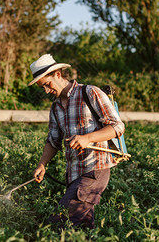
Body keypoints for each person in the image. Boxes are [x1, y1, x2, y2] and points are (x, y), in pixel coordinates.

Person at [28, 54, 125, 229]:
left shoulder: (89, 92)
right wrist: (42, 164)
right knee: (82, 230)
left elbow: (117, 127)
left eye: (47, 84)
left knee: (60, 222)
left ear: (58, 74)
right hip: (74, 175)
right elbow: (53, 141)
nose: (46, 91)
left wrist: (87, 138)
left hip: (95, 169)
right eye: (42, 87)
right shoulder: (55, 107)